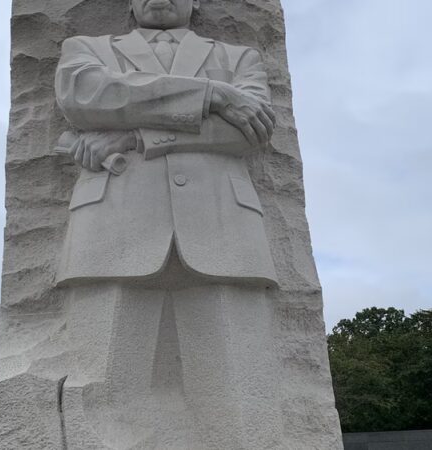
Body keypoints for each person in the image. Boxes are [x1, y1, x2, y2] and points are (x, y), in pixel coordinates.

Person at [53, 0, 282, 447]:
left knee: (241, 394)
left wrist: (136, 135)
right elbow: (87, 98)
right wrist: (212, 95)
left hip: (223, 227)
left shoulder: (239, 58)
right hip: (113, 225)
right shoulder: (86, 48)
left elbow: (249, 131)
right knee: (100, 388)